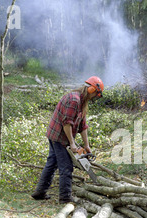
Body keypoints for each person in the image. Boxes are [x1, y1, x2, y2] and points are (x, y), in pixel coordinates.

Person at [31, 76, 104, 204]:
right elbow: (67, 124)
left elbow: (83, 125)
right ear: (92, 89)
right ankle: (65, 197)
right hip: (59, 136)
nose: (94, 98)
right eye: (95, 95)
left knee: (52, 163)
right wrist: (72, 143)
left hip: (58, 134)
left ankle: (39, 192)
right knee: (66, 167)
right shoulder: (74, 100)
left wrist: (86, 146)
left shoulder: (82, 102)